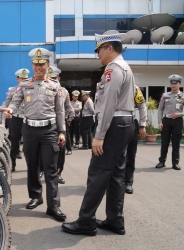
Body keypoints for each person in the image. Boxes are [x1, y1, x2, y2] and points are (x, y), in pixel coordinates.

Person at [62, 32, 135, 236]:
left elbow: (109, 104)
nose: (98, 55)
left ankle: (86, 221)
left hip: (114, 124)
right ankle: (115, 220)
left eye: (99, 50)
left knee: (97, 173)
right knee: (115, 175)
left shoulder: (113, 69)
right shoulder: (124, 67)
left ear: (109, 48)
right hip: (124, 123)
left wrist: (100, 135)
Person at [3, 48, 67, 221]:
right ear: (32, 65)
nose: (38, 67)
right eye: (35, 64)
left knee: (50, 169)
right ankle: (35, 196)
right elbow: (15, 103)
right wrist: (9, 110)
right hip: (29, 130)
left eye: (42, 64)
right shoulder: (24, 86)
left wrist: (62, 132)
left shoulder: (55, 86)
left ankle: (53, 207)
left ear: (47, 65)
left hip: (49, 130)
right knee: (32, 166)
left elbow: (60, 111)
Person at [39, 66, 74, 184]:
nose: (53, 80)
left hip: (60, 124)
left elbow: (68, 106)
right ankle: (41, 170)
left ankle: (58, 173)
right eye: (50, 77)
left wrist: (70, 118)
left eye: (55, 77)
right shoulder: (43, 88)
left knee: (60, 151)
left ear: (59, 78)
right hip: (47, 124)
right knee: (42, 149)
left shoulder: (64, 91)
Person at [0, 69, 30, 172]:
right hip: (16, 118)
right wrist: (0, 110)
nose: (24, 80)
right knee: (14, 142)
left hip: (28, 119)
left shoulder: (31, 89)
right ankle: (12, 164)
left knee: (29, 144)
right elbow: (7, 103)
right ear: (17, 79)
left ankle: (32, 166)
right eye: (22, 79)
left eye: (26, 79)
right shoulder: (13, 90)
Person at [155, 75, 184, 170]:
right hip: (166, 121)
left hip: (177, 121)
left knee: (176, 143)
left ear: (179, 84)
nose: (173, 85)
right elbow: (160, 109)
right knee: (164, 143)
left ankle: (175, 163)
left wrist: (180, 114)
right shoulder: (165, 95)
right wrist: (160, 122)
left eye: (175, 83)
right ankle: (162, 161)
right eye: (172, 83)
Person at [125, 85, 147, 194]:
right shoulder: (110, 84)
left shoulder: (134, 88)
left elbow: (142, 106)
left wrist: (142, 125)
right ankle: (114, 182)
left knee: (130, 155)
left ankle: (128, 182)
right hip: (112, 124)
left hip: (130, 123)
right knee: (114, 155)